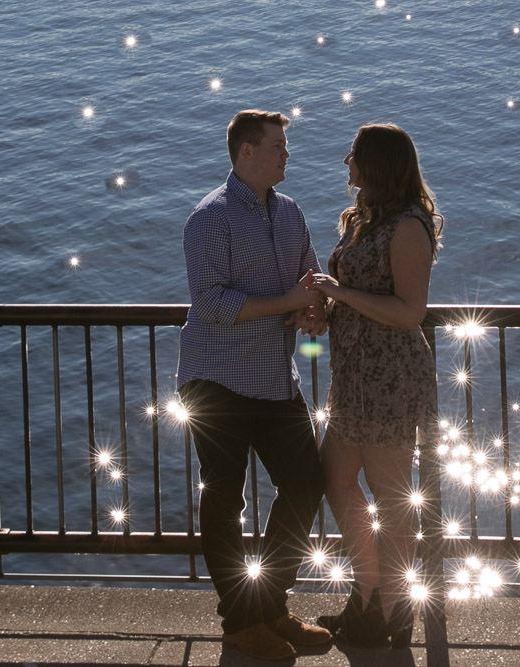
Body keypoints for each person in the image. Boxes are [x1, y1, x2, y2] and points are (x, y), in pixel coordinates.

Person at [176, 109, 332, 661]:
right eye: (278, 146)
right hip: (216, 376)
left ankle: (268, 605)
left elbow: (310, 282)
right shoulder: (208, 218)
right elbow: (211, 304)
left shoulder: (290, 213)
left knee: (308, 482)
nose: (287, 154)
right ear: (246, 152)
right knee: (225, 495)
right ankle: (241, 623)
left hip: (272, 376)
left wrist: (316, 312)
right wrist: (290, 302)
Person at [308, 123, 444, 647]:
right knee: (336, 478)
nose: (346, 162)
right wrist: (325, 307)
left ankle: (389, 610)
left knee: (390, 496)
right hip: (354, 373)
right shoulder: (362, 217)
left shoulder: (409, 226)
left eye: (356, 155)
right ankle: (367, 590)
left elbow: (411, 313)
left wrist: (341, 293)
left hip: (390, 375)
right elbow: (356, 292)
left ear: (379, 163)